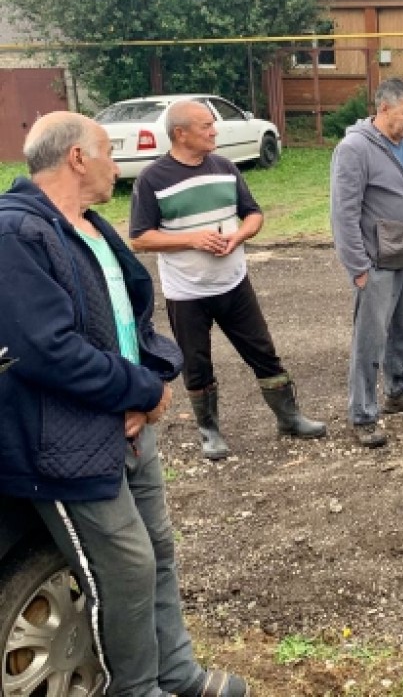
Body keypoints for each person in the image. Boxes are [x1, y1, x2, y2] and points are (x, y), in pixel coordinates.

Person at [0, 112, 246, 697]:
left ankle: (176, 673)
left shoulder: (89, 226)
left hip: (129, 426)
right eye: (108, 153)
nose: (118, 166)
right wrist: (142, 391)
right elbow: (47, 350)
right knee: (126, 568)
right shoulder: (16, 233)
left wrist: (154, 374)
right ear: (76, 158)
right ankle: (136, 689)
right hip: (65, 440)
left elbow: (130, 321)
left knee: (157, 552)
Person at [129, 100, 326, 460]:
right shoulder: (152, 178)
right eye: (206, 126)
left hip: (234, 283)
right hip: (186, 291)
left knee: (263, 352)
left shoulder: (225, 167)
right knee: (197, 363)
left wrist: (239, 236)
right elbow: (140, 238)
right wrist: (192, 239)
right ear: (180, 133)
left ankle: (289, 418)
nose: (214, 131)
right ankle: (210, 432)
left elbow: (253, 214)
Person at [330, 78, 403, 448]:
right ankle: (362, 414)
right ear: (384, 108)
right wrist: (357, 267)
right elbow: (343, 214)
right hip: (377, 262)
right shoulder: (354, 149)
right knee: (370, 340)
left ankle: (400, 391)